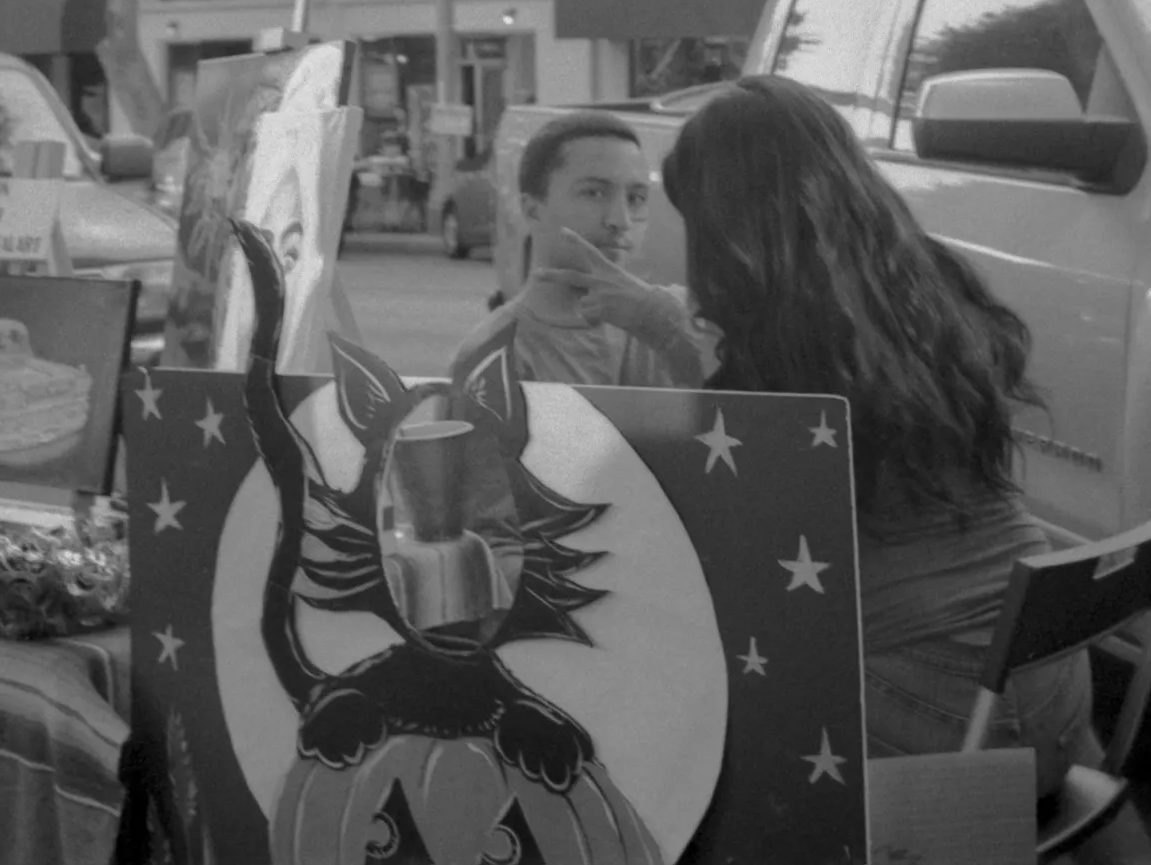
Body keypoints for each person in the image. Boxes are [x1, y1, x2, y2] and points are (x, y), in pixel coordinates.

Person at [660, 74, 1102, 799]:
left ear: (736, 223)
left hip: (945, 729)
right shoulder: (939, 288)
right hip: (1050, 691)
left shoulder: (776, 366)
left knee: (671, 705)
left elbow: (725, 563)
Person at [450, 111, 709, 387]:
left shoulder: (672, 324)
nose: (620, 220)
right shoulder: (492, 358)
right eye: (594, 193)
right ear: (533, 210)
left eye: (636, 198)